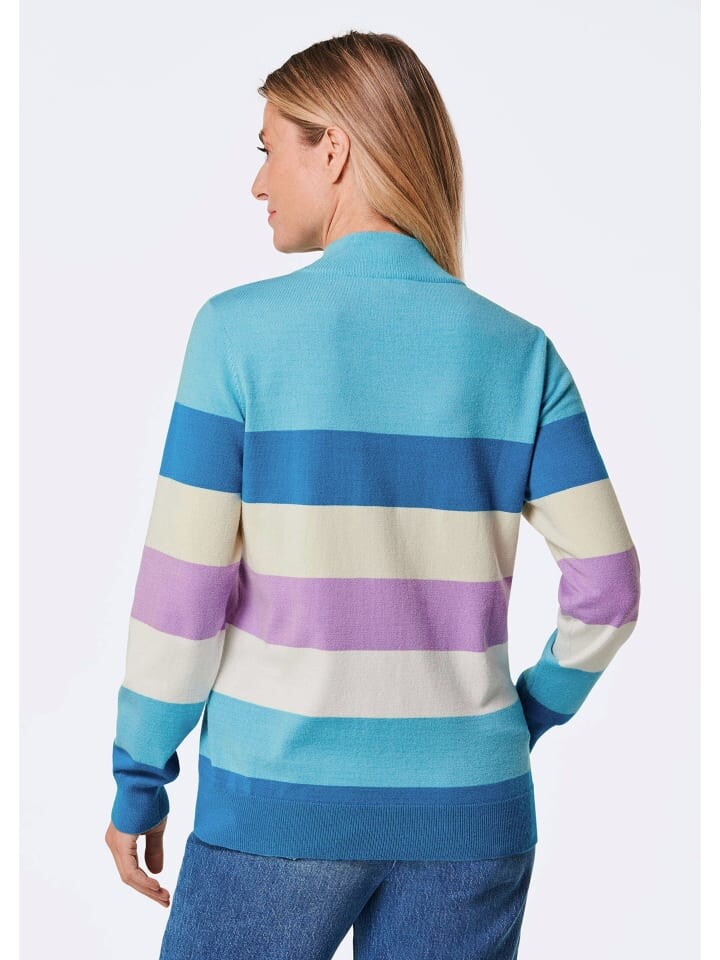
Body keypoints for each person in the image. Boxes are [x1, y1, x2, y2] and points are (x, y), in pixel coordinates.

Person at [105, 29, 641, 960]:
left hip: (276, 807)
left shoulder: (237, 336)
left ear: (335, 150)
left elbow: (181, 596)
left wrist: (138, 775)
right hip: (473, 813)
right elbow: (611, 587)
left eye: (270, 147)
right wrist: (525, 717)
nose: (259, 182)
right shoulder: (522, 355)